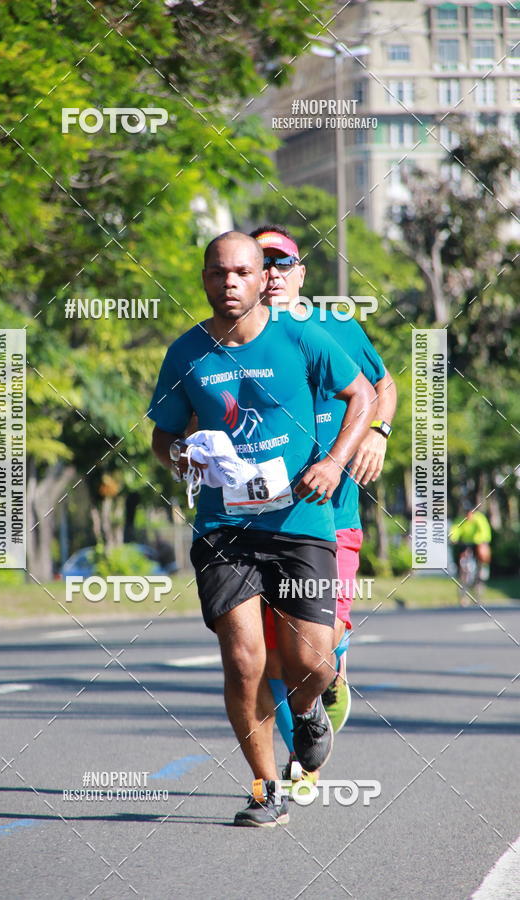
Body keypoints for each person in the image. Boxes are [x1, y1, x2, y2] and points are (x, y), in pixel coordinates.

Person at [148, 231, 376, 827]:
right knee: (244, 658)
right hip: (225, 527)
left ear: (259, 280)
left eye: (243, 272)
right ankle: (264, 788)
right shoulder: (186, 354)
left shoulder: (302, 337)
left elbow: (364, 396)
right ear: (204, 278)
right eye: (219, 273)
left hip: (301, 521)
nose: (231, 283)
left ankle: (309, 710)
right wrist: (184, 457)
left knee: (311, 662)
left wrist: (333, 462)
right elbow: (163, 438)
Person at [250, 225, 397, 783]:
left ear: (300, 273)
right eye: (259, 264)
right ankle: (294, 765)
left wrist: (378, 433)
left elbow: (381, 384)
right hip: (263, 520)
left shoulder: (335, 324)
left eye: (281, 264)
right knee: (273, 657)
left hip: (334, 518)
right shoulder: (237, 338)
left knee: (318, 647)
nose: (271, 276)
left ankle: (333, 667)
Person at [450, 504, 492, 604]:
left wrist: (480, 540)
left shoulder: (479, 519)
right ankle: (463, 594)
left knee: (481, 559)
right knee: (462, 564)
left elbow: (484, 532)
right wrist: (453, 538)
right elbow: (455, 530)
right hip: (465, 545)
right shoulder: (461, 519)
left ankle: (480, 581)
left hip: (477, 544)